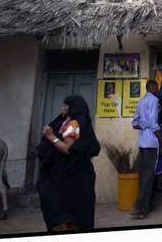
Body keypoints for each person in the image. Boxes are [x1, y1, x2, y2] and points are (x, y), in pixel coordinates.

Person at [36, 95, 101, 232]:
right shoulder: (68, 122)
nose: (62, 108)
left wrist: (51, 137)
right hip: (74, 174)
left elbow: (70, 150)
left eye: (65, 106)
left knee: (62, 209)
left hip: (72, 175)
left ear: (73, 108)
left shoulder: (73, 124)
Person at [131, 80, 162, 219]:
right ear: (154, 87)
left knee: (144, 174)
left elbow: (135, 123)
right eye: (157, 87)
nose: (158, 89)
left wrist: (144, 125)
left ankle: (146, 205)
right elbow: (154, 123)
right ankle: (140, 207)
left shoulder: (141, 101)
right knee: (149, 176)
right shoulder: (154, 100)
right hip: (151, 142)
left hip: (143, 142)